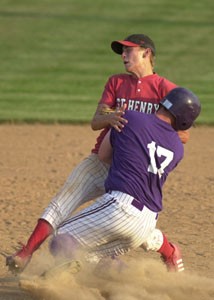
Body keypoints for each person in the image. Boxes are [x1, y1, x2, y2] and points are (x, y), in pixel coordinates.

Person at [6, 34, 189, 274]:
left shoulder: (166, 90)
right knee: (64, 201)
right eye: (121, 52)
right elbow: (96, 121)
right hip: (101, 161)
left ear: (146, 53)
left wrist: (145, 127)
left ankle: (165, 252)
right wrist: (110, 118)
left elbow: (182, 135)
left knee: (131, 220)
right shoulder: (116, 82)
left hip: (135, 168)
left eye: (128, 51)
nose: (123, 55)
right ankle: (26, 253)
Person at [46, 87, 201, 273]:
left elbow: (103, 155)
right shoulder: (178, 148)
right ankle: (129, 282)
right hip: (146, 224)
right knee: (89, 256)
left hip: (120, 207)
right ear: (185, 121)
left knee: (61, 237)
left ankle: (62, 281)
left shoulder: (130, 117)